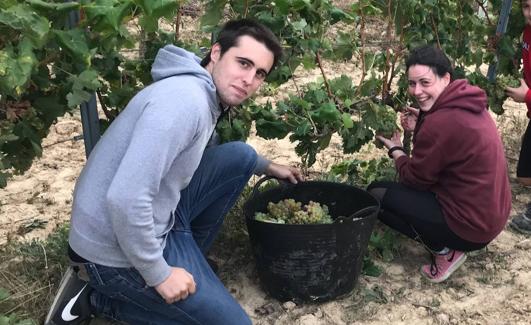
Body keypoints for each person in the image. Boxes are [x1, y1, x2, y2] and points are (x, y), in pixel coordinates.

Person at [46, 19, 303, 325]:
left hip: (155, 218)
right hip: (111, 252)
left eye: (259, 73)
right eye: (243, 63)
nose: (249, 79)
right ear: (217, 53)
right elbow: (125, 199)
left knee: (241, 156)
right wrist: (160, 274)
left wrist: (268, 166)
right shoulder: (185, 103)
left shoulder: (201, 89)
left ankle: (186, 264)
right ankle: (97, 298)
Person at [368, 46, 511, 283]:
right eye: (412, 84)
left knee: (376, 195)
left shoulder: (441, 123)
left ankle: (446, 251)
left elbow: (414, 180)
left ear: (445, 78)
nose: (417, 91)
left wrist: (396, 150)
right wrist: (424, 119)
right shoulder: (466, 99)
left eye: (425, 82)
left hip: (471, 228)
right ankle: (450, 239)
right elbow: (446, 142)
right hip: (491, 215)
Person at [505, 0, 531, 235]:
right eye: (526, 6)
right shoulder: (527, 30)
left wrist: (528, 96)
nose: (530, 12)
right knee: (525, 178)